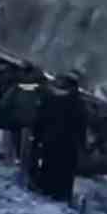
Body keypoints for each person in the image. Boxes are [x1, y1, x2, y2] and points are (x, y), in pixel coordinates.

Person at [31, 71, 89, 203]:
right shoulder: (79, 105)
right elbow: (82, 132)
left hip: (49, 147)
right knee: (62, 189)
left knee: (46, 183)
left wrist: (36, 141)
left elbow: (38, 123)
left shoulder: (49, 99)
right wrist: (82, 150)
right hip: (68, 152)